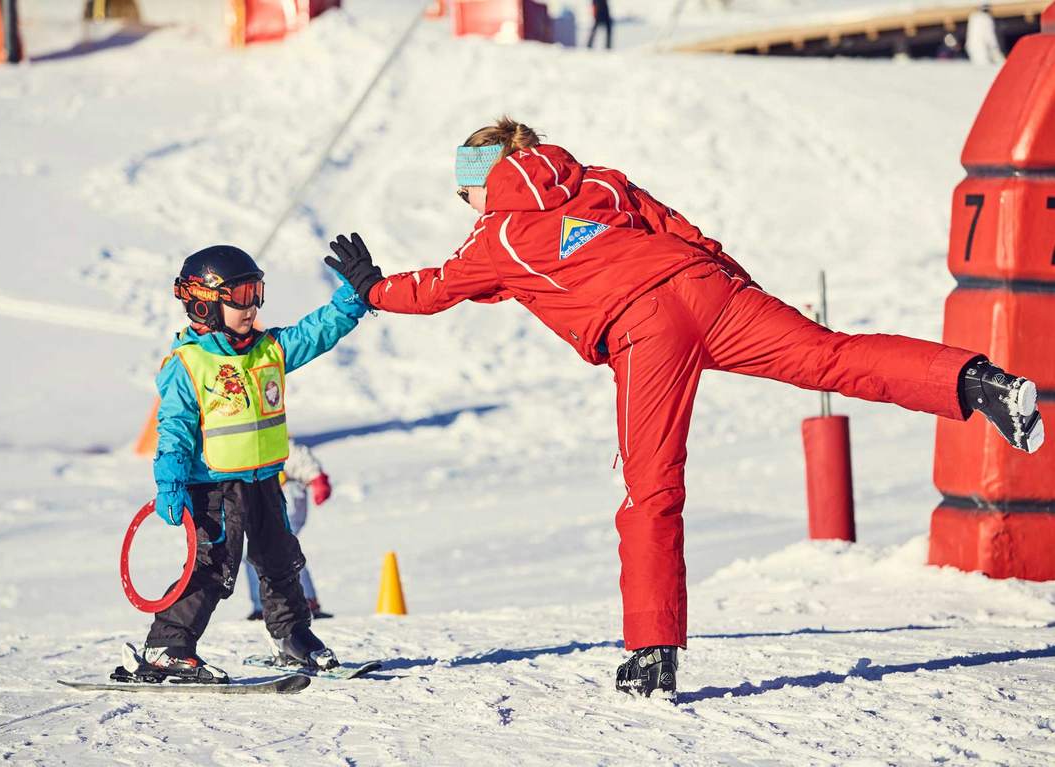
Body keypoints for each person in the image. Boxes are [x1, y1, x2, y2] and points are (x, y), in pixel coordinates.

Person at [324, 117, 1045, 698]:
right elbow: (679, 228)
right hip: (708, 287)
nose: (466, 209)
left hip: (644, 327)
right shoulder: (598, 180)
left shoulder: (498, 235)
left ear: (480, 186)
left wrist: (371, 285)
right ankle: (976, 381)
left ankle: (652, 651)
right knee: (830, 354)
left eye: (463, 196)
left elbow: (435, 287)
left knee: (651, 487)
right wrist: (740, 294)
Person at [133, 244, 367, 683]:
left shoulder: (268, 349)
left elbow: (315, 332)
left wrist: (351, 301)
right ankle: (168, 645)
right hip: (216, 489)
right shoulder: (189, 365)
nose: (252, 305)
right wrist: (170, 483)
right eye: (240, 296)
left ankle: (292, 636)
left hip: (264, 481)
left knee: (281, 561)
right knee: (213, 567)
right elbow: (175, 430)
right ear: (204, 302)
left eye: (257, 292)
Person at [244, 438, 333, 621]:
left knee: (280, 550)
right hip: (266, 502)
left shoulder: (271, 439)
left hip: (286, 498)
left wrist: (317, 479)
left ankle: (305, 599)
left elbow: (298, 456)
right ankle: (263, 605)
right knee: (256, 554)